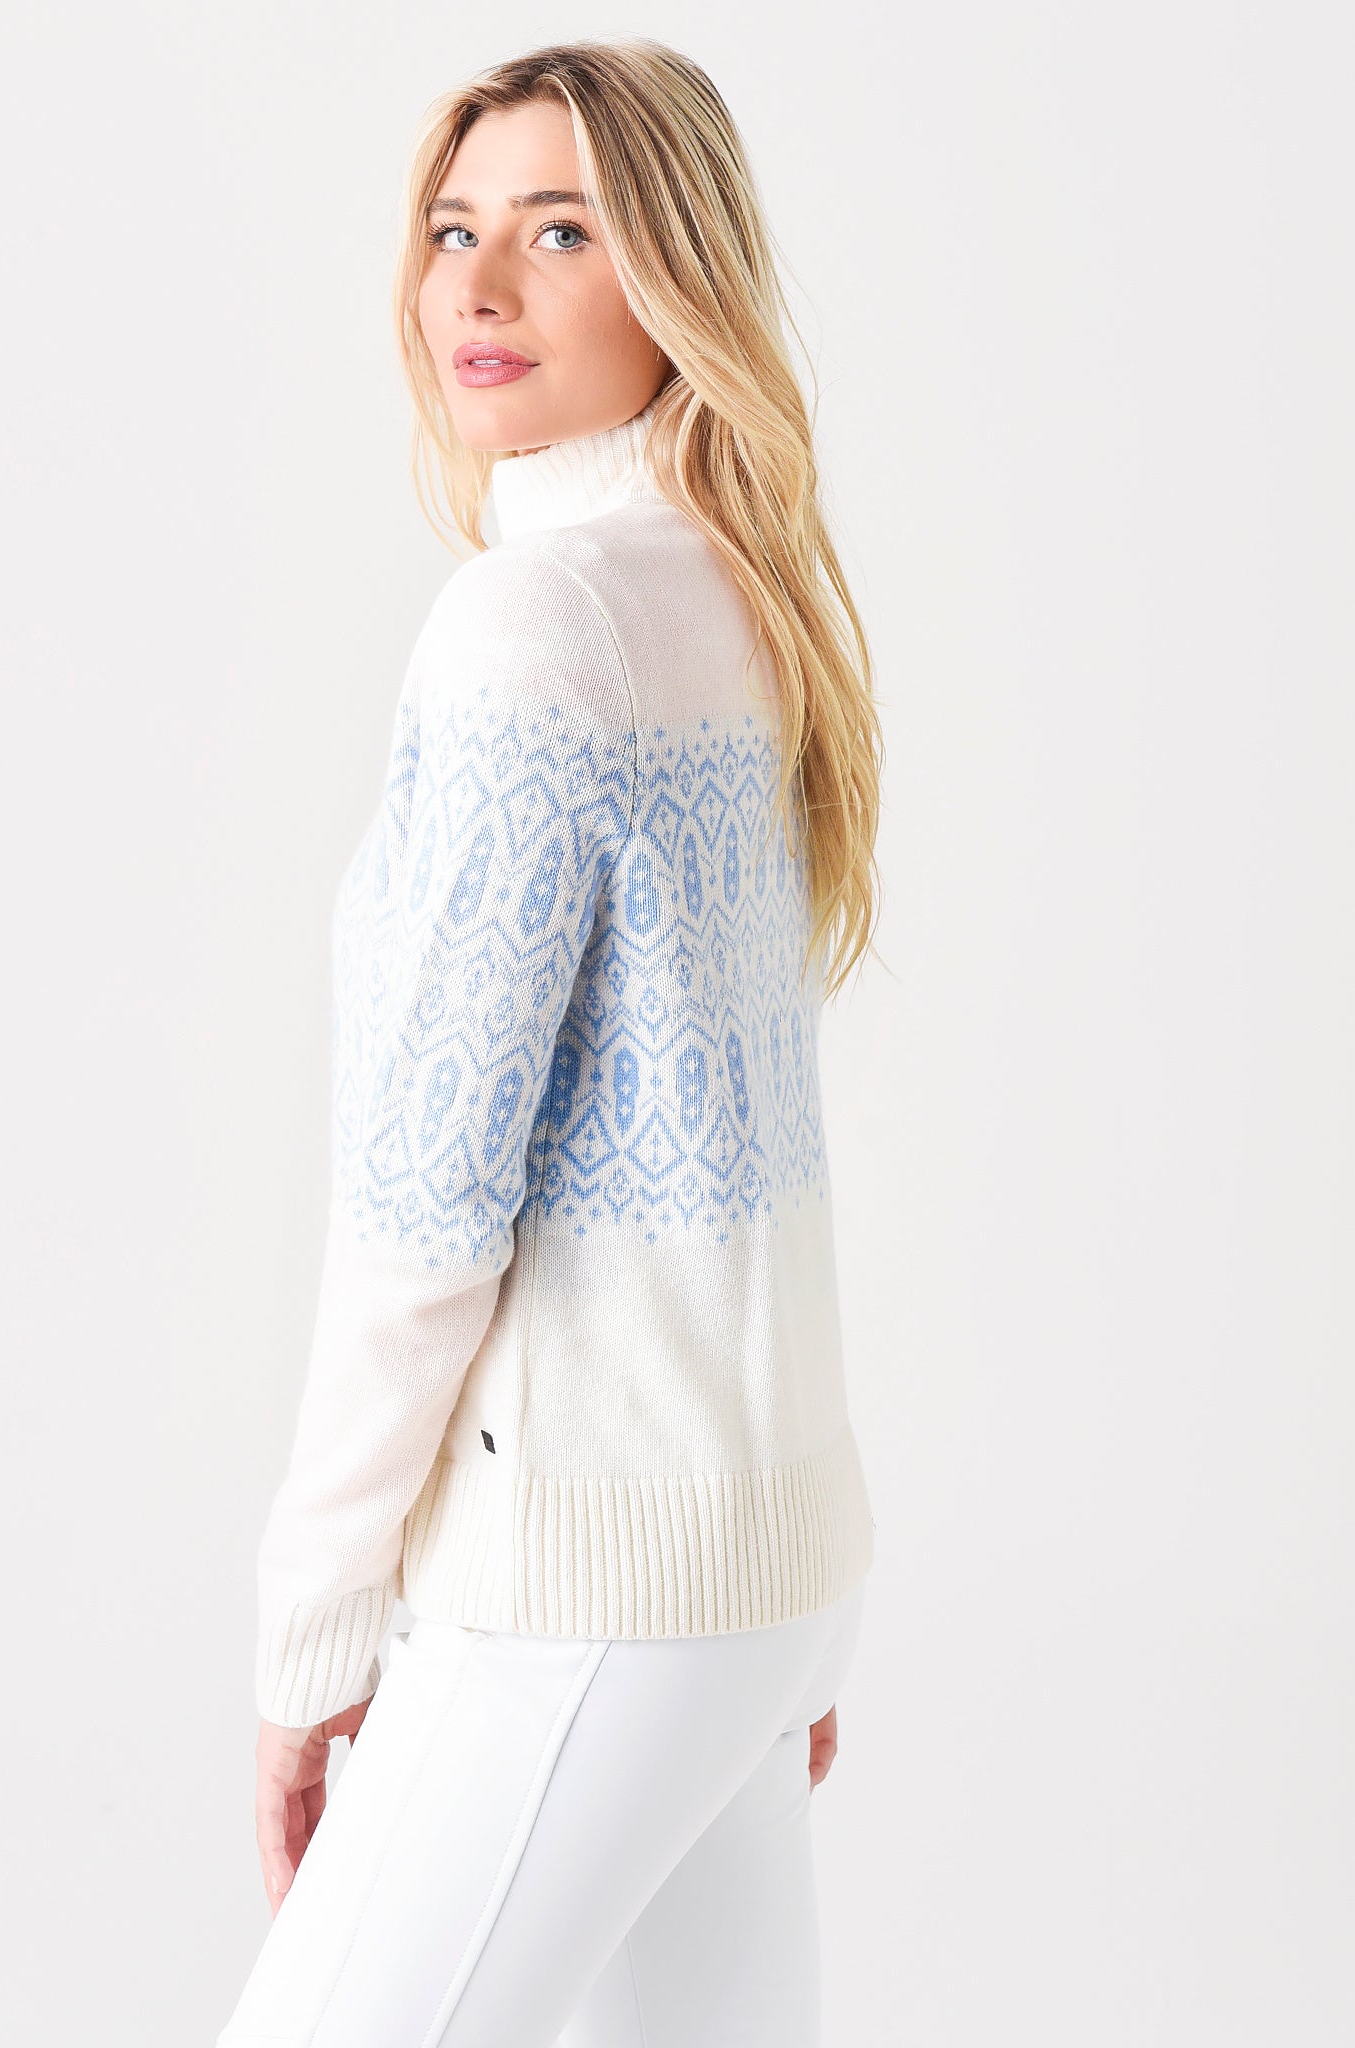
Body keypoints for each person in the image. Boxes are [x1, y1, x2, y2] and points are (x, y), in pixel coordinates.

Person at [217, 35, 884, 2048]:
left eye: (562, 231)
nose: (479, 287)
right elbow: (755, 1149)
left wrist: (312, 1628)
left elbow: (430, 1204)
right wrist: (791, 1599)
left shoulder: (533, 631)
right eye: (452, 230)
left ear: (678, 276)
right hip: (747, 1566)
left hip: (581, 1588)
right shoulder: (745, 603)